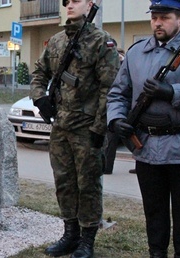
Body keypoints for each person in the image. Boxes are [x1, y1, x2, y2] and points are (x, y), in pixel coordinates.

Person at [107, 0, 180, 257]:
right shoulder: (136, 52)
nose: (157, 22)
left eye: (165, 17)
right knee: (154, 213)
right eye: (154, 17)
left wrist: (173, 91)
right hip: (147, 146)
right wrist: (116, 119)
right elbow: (118, 93)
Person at [30, 0, 119, 257]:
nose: (69, 5)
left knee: (88, 184)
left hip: (86, 127)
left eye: (76, 0)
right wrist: (40, 98)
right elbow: (39, 72)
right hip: (61, 126)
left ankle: (87, 239)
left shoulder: (101, 42)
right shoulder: (57, 41)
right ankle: (70, 234)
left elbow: (109, 88)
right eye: (65, 1)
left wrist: (99, 128)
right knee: (64, 182)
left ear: (90, 3)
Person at [103, 48, 129, 175]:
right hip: (112, 104)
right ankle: (107, 166)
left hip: (122, 106)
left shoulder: (126, 64)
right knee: (112, 136)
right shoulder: (107, 63)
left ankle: (107, 166)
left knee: (118, 136)